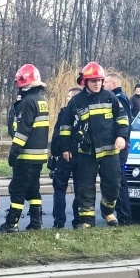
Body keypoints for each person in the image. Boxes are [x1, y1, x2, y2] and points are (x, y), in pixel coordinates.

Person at [59, 62, 129, 229]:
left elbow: (122, 119)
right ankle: (87, 221)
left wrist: (121, 136)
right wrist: (65, 148)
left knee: (113, 183)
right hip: (86, 152)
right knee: (85, 187)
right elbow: (65, 126)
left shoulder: (110, 97)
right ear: (85, 82)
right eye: (93, 80)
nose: (97, 83)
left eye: (100, 80)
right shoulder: (76, 102)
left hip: (109, 151)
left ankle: (107, 210)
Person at [0, 64, 50, 233]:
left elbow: (23, 131)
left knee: (18, 189)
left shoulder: (28, 102)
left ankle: (11, 223)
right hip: (39, 156)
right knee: (33, 188)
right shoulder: (41, 100)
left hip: (26, 155)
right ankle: (36, 222)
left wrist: (14, 152)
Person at [49, 87, 82, 229]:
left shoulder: (64, 112)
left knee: (59, 188)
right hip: (82, 156)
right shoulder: (86, 112)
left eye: (69, 97)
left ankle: (59, 221)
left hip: (66, 156)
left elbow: (58, 134)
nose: (67, 99)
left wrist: (58, 151)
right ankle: (79, 220)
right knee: (80, 189)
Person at [104, 73, 133, 225]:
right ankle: (124, 216)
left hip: (120, 146)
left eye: (106, 82)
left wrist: (120, 138)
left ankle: (124, 217)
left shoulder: (118, 98)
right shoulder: (119, 96)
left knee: (119, 181)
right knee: (120, 180)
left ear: (114, 83)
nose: (103, 84)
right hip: (120, 145)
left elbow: (124, 122)